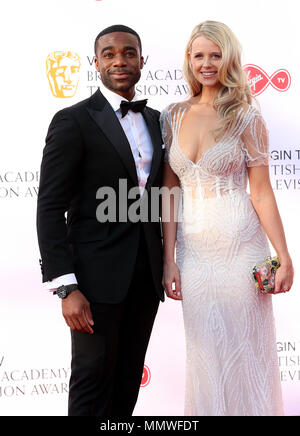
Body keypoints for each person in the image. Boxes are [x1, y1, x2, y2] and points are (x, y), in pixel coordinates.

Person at [160, 20, 294, 416]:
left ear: (229, 59)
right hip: (194, 253)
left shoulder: (246, 117)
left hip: (241, 249)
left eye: (215, 55)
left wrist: (283, 256)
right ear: (189, 59)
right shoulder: (172, 116)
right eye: (199, 55)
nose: (207, 63)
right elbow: (169, 194)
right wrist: (169, 258)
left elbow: (262, 192)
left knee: (245, 352)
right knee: (204, 354)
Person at [37, 24, 165, 416]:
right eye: (109, 54)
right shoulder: (72, 120)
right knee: (91, 383)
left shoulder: (158, 121)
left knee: (127, 384)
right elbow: (48, 208)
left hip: (145, 278)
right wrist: (65, 287)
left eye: (129, 53)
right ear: (95, 63)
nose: (120, 61)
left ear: (142, 61)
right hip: (92, 282)